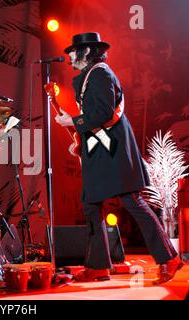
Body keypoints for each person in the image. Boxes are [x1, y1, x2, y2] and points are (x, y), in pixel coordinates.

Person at [54, 32, 183, 284]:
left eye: (73, 51)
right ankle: (99, 265)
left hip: (114, 151)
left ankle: (169, 258)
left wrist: (74, 121)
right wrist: (81, 142)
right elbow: (96, 116)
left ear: (87, 52)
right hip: (102, 149)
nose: (69, 56)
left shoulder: (101, 74)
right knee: (91, 205)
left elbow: (103, 113)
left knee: (133, 202)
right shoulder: (92, 76)